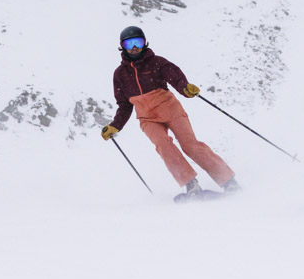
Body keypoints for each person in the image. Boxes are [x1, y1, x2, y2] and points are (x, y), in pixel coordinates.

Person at [101, 26, 240, 196]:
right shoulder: (120, 74)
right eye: (129, 44)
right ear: (122, 47)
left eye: (138, 42)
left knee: (190, 145)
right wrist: (116, 126)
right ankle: (191, 186)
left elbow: (175, 77)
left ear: (145, 43)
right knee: (163, 145)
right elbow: (124, 104)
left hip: (170, 109)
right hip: (147, 118)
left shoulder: (156, 62)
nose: (134, 47)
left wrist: (185, 88)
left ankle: (228, 181)